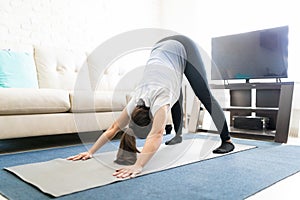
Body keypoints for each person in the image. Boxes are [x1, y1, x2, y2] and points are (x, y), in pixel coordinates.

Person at [67, 35, 235, 179]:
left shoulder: (159, 100)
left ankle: (227, 140)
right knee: (173, 93)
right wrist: (91, 152)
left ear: (151, 119)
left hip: (182, 45)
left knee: (203, 94)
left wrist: (138, 166)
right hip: (159, 48)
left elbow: (156, 135)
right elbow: (114, 128)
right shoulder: (135, 101)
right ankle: (178, 135)